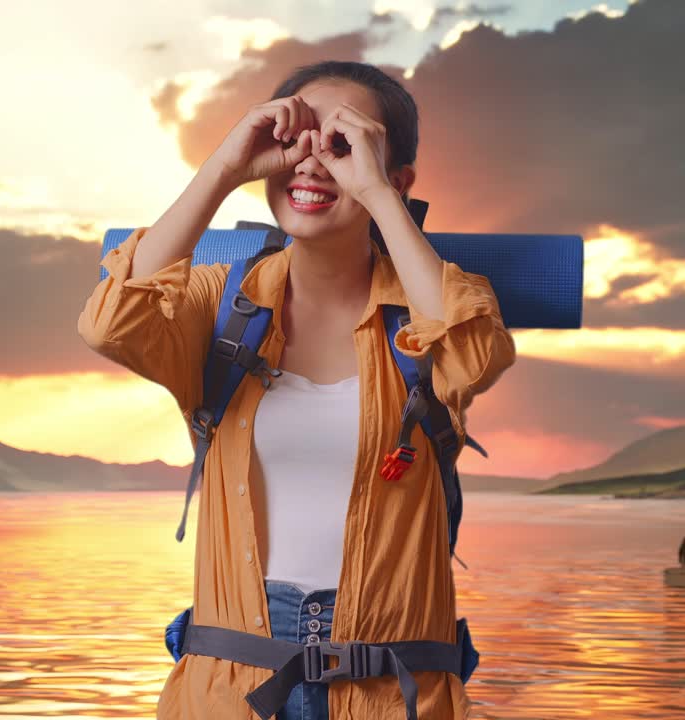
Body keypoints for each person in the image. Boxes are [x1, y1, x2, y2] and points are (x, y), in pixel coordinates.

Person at [77, 60, 516, 719]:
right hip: (229, 691)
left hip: (393, 699)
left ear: (395, 178)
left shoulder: (425, 312)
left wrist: (377, 197)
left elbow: (474, 354)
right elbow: (112, 324)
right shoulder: (218, 305)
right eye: (296, 140)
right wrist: (224, 167)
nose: (311, 164)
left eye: (342, 145)